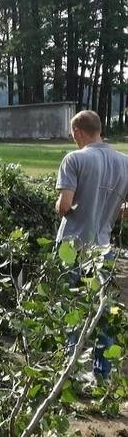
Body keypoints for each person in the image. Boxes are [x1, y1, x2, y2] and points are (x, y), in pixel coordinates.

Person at [55, 109, 128, 377]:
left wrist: (60, 206)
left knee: (68, 306)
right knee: (101, 309)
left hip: (72, 246)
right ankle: (102, 374)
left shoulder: (74, 159)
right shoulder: (125, 162)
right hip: (103, 247)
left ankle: (69, 371)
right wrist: (111, 210)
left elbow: (65, 206)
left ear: (78, 132)